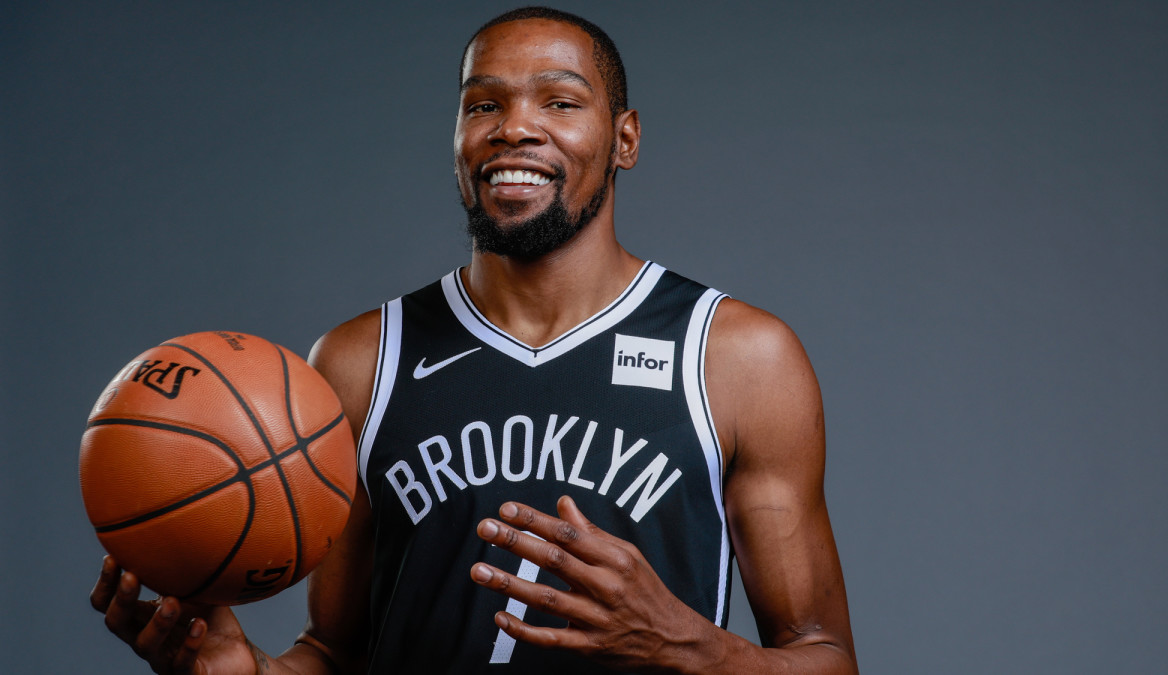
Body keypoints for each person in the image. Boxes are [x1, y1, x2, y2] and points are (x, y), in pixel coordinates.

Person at [91, 7, 857, 673]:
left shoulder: (737, 357)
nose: (514, 127)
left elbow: (825, 656)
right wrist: (248, 670)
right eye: (483, 104)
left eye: (560, 101)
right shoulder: (362, 361)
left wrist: (690, 646)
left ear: (624, 139)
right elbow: (333, 651)